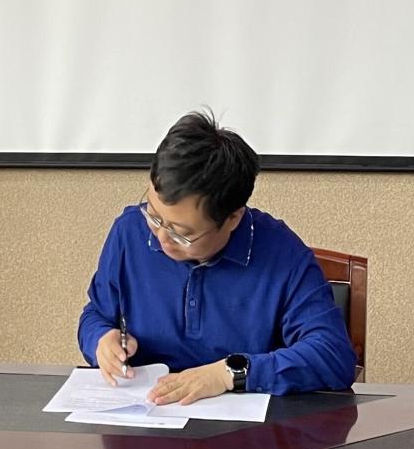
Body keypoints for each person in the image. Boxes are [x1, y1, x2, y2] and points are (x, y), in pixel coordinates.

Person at [78, 111, 357, 402]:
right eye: (154, 216)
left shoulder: (283, 254)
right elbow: (96, 314)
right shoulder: (128, 232)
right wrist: (101, 340)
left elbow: (333, 355)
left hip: (244, 424)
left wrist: (228, 374)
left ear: (233, 217)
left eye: (181, 234)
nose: (161, 238)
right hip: (147, 412)